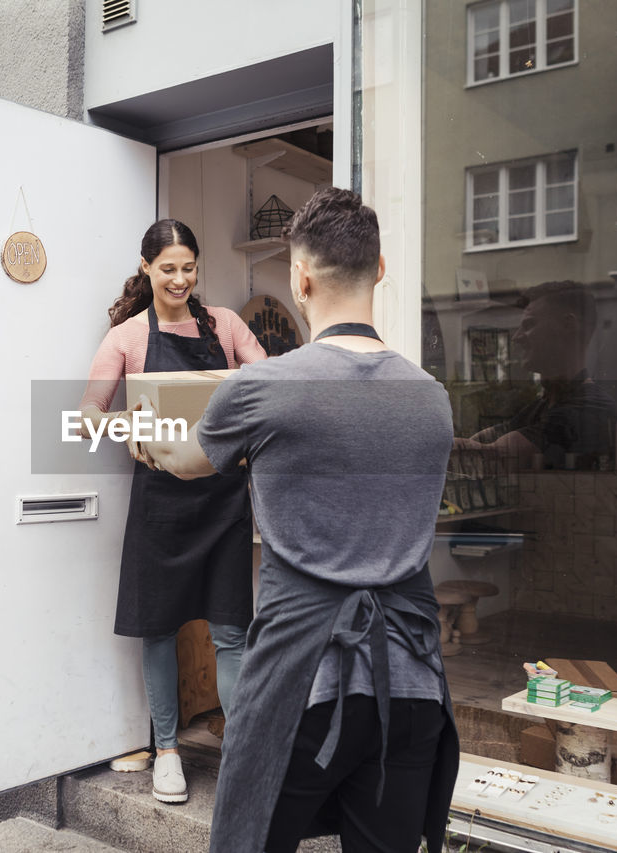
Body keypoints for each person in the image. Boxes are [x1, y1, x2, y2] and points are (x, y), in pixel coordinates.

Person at [132, 189, 459, 852]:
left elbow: (191, 460)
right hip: (412, 680)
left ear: (299, 277)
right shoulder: (433, 400)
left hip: (301, 682)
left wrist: (148, 440)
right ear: (382, 268)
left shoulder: (262, 388)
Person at [79, 219, 267, 804]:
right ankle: (167, 751)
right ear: (146, 268)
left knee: (232, 631)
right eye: (169, 269)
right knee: (158, 630)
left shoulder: (227, 326)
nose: (181, 279)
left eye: (189, 267)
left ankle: (241, 755)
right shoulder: (128, 337)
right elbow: (88, 411)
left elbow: (269, 387)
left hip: (223, 500)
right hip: (160, 502)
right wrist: (124, 425)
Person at [462, 280, 617, 472]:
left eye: (529, 324)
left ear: (568, 325)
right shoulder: (544, 405)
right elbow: (476, 444)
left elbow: (488, 457)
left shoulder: (589, 410)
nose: (517, 337)